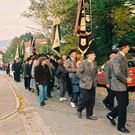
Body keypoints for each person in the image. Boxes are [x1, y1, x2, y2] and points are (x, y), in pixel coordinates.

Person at [106, 39, 131, 133]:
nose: (129, 48)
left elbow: (125, 70)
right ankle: (121, 126)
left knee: (124, 103)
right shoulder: (117, 58)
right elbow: (117, 73)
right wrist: (126, 79)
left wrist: (128, 78)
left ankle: (111, 115)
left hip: (123, 84)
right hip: (118, 85)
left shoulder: (124, 57)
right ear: (123, 47)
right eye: (128, 47)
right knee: (123, 106)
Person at [76, 50, 98, 120]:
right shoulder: (83, 63)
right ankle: (79, 110)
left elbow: (96, 73)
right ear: (89, 55)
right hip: (84, 84)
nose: (95, 56)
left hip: (93, 84)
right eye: (93, 55)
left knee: (92, 100)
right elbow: (78, 73)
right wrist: (84, 80)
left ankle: (89, 115)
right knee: (85, 99)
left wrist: (95, 81)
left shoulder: (95, 63)